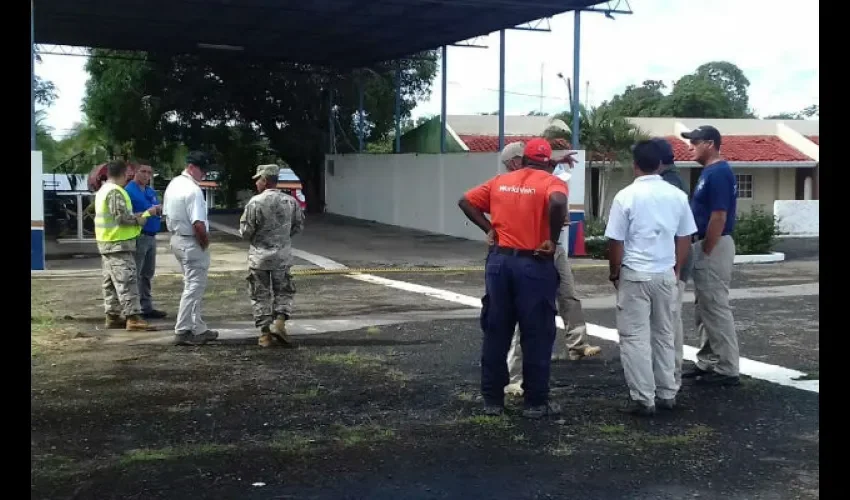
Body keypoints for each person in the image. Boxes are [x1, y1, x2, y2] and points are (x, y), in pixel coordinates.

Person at [459, 138, 567, 419]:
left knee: (496, 331)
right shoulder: (550, 182)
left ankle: (492, 401)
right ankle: (535, 403)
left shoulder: (499, 181)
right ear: (546, 160)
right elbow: (557, 202)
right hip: (534, 263)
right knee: (536, 333)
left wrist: (489, 228)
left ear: (523, 157)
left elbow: (465, 201)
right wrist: (552, 240)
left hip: (499, 263)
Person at [497, 142, 601, 397]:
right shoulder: (511, 183)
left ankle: (577, 344)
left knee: (568, 293)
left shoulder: (537, 177)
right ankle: (515, 377)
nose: (539, 162)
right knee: (527, 315)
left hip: (550, 248)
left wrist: (556, 161)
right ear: (515, 162)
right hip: (530, 253)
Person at [604, 140, 697, 415]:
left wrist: (615, 271)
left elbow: (616, 240)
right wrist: (676, 268)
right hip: (665, 273)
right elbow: (685, 237)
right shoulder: (677, 196)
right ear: (660, 164)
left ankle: (644, 398)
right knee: (664, 334)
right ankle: (668, 391)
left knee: (635, 337)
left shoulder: (625, 196)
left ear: (635, 165)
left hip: (635, 274)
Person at [680, 125, 740, 385]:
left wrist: (706, 247)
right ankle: (708, 360)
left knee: (715, 306)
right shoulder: (710, 172)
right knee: (704, 307)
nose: (689, 146)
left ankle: (727, 368)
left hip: (713, 244)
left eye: (695, 141)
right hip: (706, 242)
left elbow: (719, 215)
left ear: (711, 144)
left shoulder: (718, 173)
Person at [239, 164, 305, 348]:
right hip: (282, 256)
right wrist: (282, 238)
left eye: (258, 180)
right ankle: (280, 323)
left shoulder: (255, 203)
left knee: (260, 294)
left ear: (265, 180)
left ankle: (265, 335)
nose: (256, 183)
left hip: (259, 257)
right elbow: (298, 226)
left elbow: (245, 231)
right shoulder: (290, 202)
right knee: (284, 291)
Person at [162, 151, 219, 346]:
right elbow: (198, 224)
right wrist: (204, 242)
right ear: (192, 167)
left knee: (191, 284)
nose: (203, 174)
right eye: (202, 170)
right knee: (194, 287)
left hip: (177, 238)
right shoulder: (193, 191)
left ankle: (198, 327)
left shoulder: (174, 184)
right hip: (191, 240)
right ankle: (183, 329)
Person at [94, 159, 157, 332]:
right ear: (123, 174)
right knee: (127, 280)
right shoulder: (115, 191)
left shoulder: (103, 190)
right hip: (118, 243)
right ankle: (133, 317)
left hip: (107, 242)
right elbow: (121, 218)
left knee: (111, 282)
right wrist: (141, 218)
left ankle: (113, 315)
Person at [650, 137, 694, 387]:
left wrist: (676, 267)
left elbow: (683, 233)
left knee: (668, 322)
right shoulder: (671, 182)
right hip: (671, 262)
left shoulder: (670, 185)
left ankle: (670, 376)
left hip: (672, 263)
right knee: (667, 320)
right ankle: (667, 373)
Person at [125, 161, 167, 320]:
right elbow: (129, 214)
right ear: (135, 172)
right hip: (139, 234)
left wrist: (158, 209)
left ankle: (146, 306)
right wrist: (147, 212)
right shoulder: (129, 191)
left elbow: (156, 206)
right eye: (143, 171)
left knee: (147, 273)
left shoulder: (149, 191)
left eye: (149, 173)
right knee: (136, 272)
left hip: (151, 234)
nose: (146, 175)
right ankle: (134, 309)